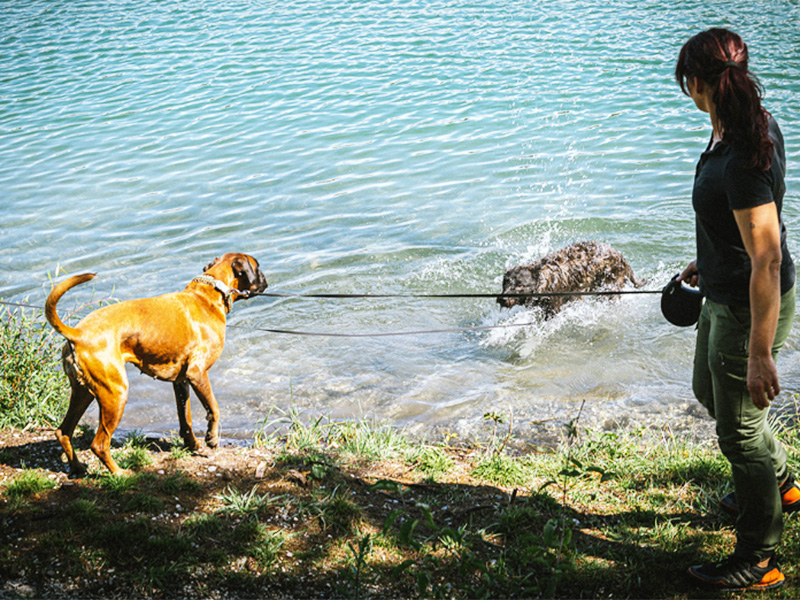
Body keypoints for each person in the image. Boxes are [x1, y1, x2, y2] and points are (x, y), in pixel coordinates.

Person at [674, 28, 799, 591]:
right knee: (708, 390)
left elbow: (768, 259)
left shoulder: (744, 154)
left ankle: (761, 554)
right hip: (724, 291)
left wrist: (758, 353)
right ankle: (785, 485)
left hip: (751, 307)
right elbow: (744, 233)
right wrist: (709, 259)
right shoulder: (737, 125)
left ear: (697, 82)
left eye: (686, 84)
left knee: (739, 434)